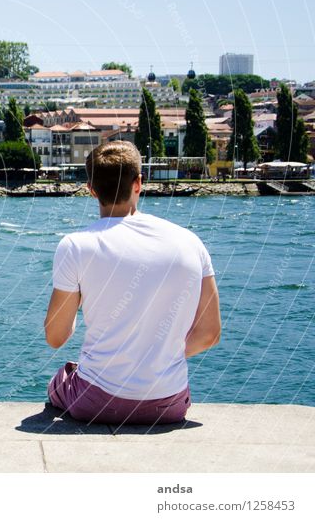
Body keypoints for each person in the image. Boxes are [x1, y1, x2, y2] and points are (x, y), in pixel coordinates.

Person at [44, 141, 221, 425]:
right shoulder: (191, 242)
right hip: (170, 404)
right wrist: (162, 354)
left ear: (90, 188)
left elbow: (56, 337)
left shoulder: (76, 246)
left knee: (61, 379)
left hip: (95, 402)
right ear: (139, 183)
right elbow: (209, 333)